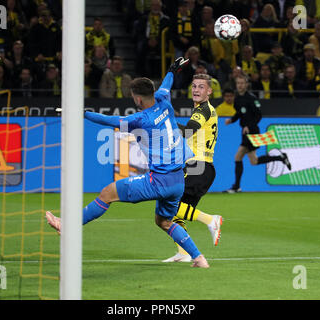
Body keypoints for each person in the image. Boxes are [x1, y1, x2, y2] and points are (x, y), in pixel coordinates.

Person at [46, 58, 210, 268]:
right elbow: (166, 85)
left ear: (138, 99)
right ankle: (199, 258)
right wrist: (172, 70)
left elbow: (110, 121)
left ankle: (66, 226)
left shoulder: (140, 120)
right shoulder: (164, 101)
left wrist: (82, 113)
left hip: (158, 181)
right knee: (164, 222)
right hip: (178, 180)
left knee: (107, 193)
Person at [163, 72, 223, 263]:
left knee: (167, 205)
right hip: (202, 167)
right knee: (174, 211)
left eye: (201, 87)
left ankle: (210, 220)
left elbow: (188, 131)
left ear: (209, 91)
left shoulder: (203, 110)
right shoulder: (208, 110)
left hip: (197, 166)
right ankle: (184, 252)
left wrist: (167, 122)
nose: (196, 90)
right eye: (194, 86)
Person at [224, 75, 292, 193]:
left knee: (238, 157)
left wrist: (248, 126)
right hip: (245, 132)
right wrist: (232, 120)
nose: (240, 85)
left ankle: (236, 187)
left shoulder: (251, 98)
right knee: (254, 161)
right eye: (238, 83)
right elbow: (240, 113)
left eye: (242, 83)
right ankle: (281, 157)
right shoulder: (237, 99)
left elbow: (258, 115)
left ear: (246, 85)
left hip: (253, 132)